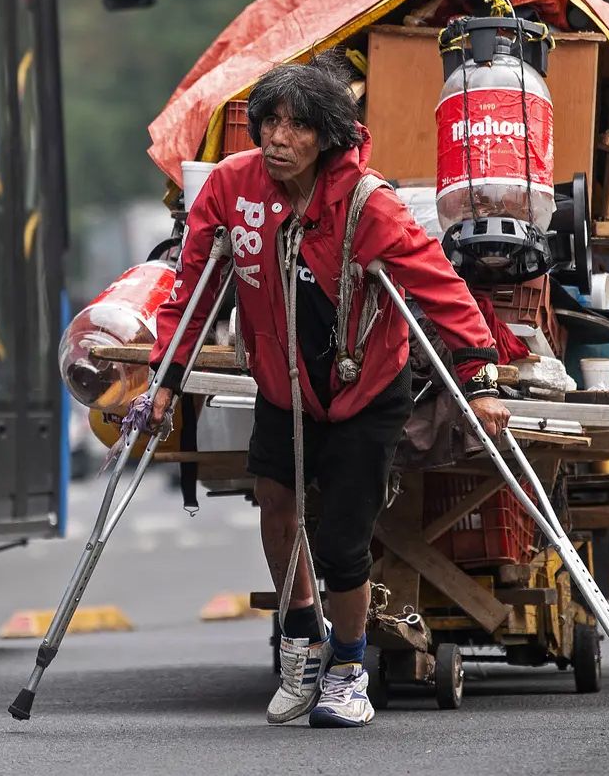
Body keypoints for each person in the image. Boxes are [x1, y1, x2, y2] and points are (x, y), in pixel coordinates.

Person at [148, 56, 513, 728]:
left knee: (344, 541)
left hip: (365, 390)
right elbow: (190, 290)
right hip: (282, 385)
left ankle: (348, 668)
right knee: (276, 507)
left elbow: (441, 287)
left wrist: (481, 376)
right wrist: (165, 381)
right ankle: (299, 642)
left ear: (329, 136)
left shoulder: (369, 205)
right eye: (270, 122)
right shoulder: (233, 187)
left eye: (298, 126)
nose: (278, 138)